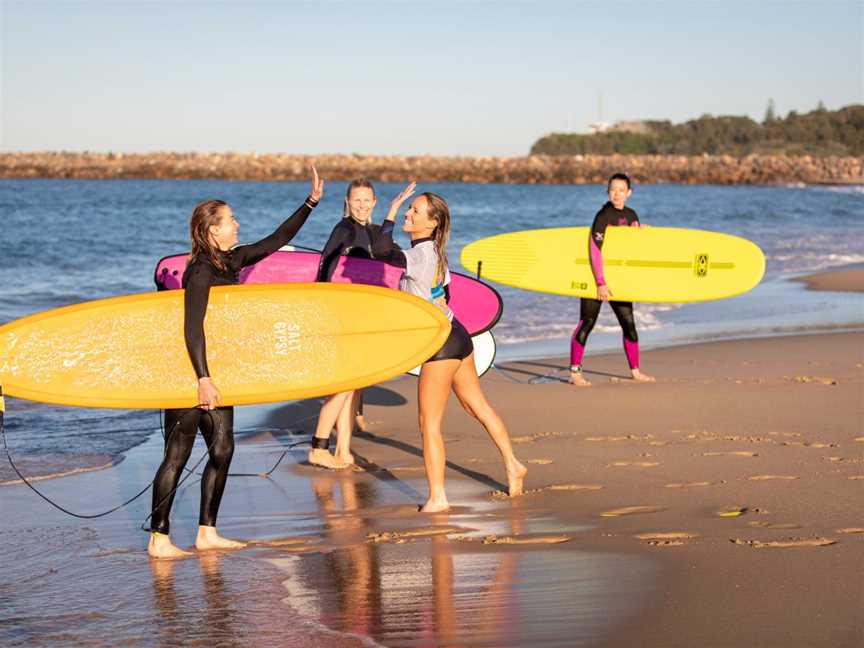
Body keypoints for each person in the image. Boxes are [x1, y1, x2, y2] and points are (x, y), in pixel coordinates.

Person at [148, 167, 324, 559]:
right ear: (213, 230)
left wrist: (310, 203)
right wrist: (202, 378)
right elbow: (192, 327)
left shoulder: (232, 261)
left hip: (218, 373)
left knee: (223, 450)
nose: (238, 225)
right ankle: (159, 538)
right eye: (231, 220)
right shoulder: (200, 271)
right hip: (191, 374)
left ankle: (206, 531)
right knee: (177, 456)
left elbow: (278, 240)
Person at [372, 183, 526, 512]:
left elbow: (381, 249)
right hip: (458, 335)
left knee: (429, 423)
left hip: (439, 345)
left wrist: (390, 210)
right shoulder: (436, 254)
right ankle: (513, 464)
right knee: (477, 407)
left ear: (432, 223)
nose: (408, 213)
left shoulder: (419, 254)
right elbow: (446, 298)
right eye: (408, 208)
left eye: (414, 210)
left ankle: (438, 497)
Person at [308, 179, 386, 469]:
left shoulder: (375, 233)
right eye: (357, 200)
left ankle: (343, 450)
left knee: (352, 386)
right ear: (347, 201)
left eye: (367, 200)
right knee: (344, 385)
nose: (362, 206)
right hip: (342, 317)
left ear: (375, 202)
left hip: (363, 317)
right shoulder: (343, 229)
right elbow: (324, 266)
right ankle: (318, 446)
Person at [569, 173, 655, 387]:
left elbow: (631, 252)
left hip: (619, 279)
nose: (616, 193)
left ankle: (635, 371)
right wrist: (600, 282)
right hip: (595, 278)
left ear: (629, 193)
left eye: (620, 190)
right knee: (587, 323)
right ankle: (574, 373)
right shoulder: (603, 216)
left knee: (629, 324)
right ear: (607, 191)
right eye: (612, 189)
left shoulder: (632, 214)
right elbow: (595, 250)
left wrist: (642, 234)